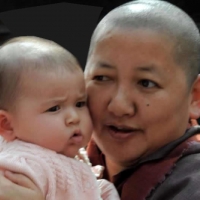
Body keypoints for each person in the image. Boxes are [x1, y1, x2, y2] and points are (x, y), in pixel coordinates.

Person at [0, 0, 200, 199]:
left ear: (195, 97)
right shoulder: (57, 148)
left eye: (146, 83)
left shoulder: (191, 184)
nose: (119, 106)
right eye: (102, 78)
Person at [0, 36, 120, 200]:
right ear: (7, 125)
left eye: (80, 103)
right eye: (54, 108)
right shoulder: (20, 168)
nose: (74, 117)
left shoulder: (63, 154)